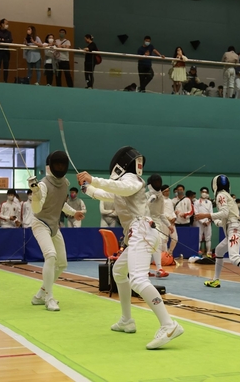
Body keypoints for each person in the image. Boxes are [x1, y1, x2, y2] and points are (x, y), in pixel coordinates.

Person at [78, 146, 184, 349]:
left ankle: (169, 325)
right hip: (140, 233)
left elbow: (120, 187)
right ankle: (127, 320)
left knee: (138, 279)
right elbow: (106, 194)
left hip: (141, 231)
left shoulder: (131, 180)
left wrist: (93, 179)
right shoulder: (123, 185)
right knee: (119, 271)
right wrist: (86, 187)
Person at [26, 151, 84, 311]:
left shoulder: (64, 183)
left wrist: (74, 213)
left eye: (62, 164)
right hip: (40, 223)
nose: (59, 167)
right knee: (51, 256)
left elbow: (60, 203)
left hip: (53, 226)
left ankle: (40, 294)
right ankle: (49, 298)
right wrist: (36, 194)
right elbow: (36, 209)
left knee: (62, 263)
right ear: (50, 166)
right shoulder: (43, 185)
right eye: (57, 164)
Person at [146, 174, 170, 278]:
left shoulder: (161, 197)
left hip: (157, 224)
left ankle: (158, 269)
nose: (157, 184)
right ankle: (149, 270)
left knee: (157, 245)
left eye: (159, 182)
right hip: (146, 222)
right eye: (155, 182)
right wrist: (150, 200)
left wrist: (169, 225)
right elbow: (143, 209)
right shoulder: (146, 195)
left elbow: (161, 214)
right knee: (149, 247)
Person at [194, 186, 213, 256]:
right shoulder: (196, 202)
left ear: (207, 193)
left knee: (208, 238)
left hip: (208, 222)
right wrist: (202, 222)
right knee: (199, 238)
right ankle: (198, 253)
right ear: (200, 192)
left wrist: (208, 221)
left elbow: (211, 213)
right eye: (203, 192)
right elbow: (196, 213)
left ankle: (208, 252)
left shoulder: (209, 202)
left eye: (205, 192)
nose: (204, 193)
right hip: (199, 222)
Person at [0, 18, 13, 83]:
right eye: (6, 23)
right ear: (2, 24)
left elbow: (10, 40)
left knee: (6, 67)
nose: (7, 25)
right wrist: (5, 40)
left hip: (6, 51)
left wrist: (2, 39)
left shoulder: (9, 32)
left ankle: (5, 80)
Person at [162, 185, 178, 256]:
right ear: (162, 192)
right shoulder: (161, 201)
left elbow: (172, 211)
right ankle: (165, 255)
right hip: (164, 222)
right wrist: (169, 218)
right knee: (165, 239)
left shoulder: (170, 201)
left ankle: (170, 253)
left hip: (172, 222)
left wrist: (174, 217)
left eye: (168, 191)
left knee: (175, 239)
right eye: (165, 191)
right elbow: (162, 212)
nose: (167, 192)